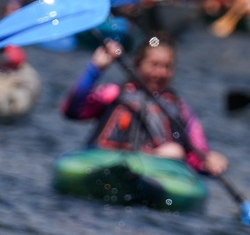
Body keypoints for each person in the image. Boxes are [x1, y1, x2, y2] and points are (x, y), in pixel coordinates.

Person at [61, 37, 227, 175]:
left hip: (156, 171)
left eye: (167, 67)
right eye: (154, 65)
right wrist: (95, 68)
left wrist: (208, 160)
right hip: (104, 159)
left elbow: (196, 154)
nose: (161, 73)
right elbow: (72, 110)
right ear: (138, 64)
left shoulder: (180, 109)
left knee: (174, 151)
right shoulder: (114, 93)